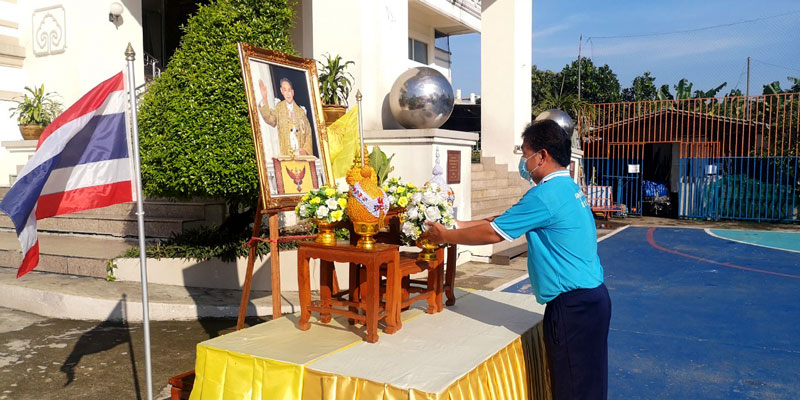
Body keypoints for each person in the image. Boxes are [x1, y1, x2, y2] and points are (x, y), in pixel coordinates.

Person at [421, 119, 611, 400]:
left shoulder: (544, 195)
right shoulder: (567, 188)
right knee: (589, 386)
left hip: (572, 308)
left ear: (542, 156)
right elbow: (504, 220)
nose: (524, 163)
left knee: (571, 390)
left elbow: (494, 234)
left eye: (525, 154)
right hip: (593, 301)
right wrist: (457, 225)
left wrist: (446, 237)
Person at [258, 77, 314, 157]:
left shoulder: (301, 112)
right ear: (281, 91)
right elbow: (271, 120)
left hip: (300, 156)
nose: (288, 94)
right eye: (285, 90)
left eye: (289, 90)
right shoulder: (279, 108)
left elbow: (308, 133)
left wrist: (305, 150)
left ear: (293, 92)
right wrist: (264, 98)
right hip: (286, 155)